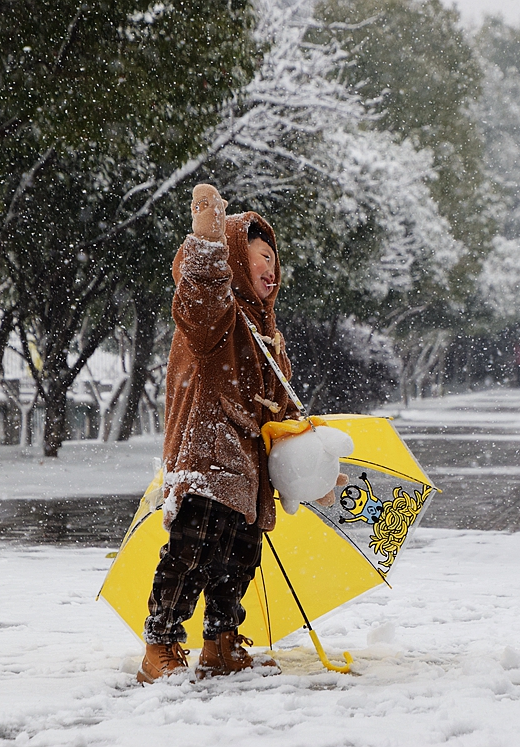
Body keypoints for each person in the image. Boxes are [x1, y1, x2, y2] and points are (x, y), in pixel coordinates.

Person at [139, 184, 335, 683]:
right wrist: (205, 241)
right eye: (258, 257)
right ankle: (160, 643)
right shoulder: (218, 315)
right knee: (193, 551)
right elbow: (199, 301)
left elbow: (281, 404)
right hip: (207, 454)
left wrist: (314, 461)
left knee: (238, 557)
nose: (270, 268)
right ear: (232, 260)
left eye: (274, 258)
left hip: (248, 464)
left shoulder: (266, 328)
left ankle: (221, 638)